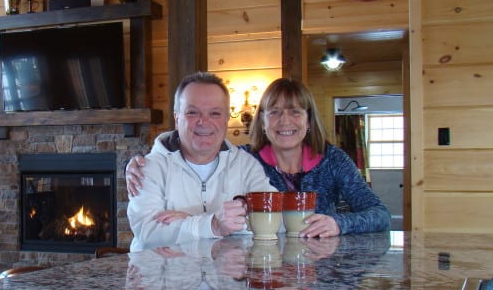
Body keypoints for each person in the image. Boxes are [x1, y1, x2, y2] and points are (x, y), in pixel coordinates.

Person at [127, 78, 390, 237]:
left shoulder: (333, 160)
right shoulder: (244, 160)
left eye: (295, 112)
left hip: (318, 272)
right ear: (262, 121)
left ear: (309, 120)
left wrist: (338, 223)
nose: (285, 121)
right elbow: (195, 155)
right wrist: (141, 162)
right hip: (262, 272)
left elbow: (380, 214)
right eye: (274, 112)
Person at [126, 71, 275, 251]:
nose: (204, 122)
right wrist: (212, 224)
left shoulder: (246, 165)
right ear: (176, 118)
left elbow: (272, 219)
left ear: (227, 119)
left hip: (223, 274)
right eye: (192, 112)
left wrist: (189, 219)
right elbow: (148, 233)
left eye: (215, 113)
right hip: (165, 275)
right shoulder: (148, 168)